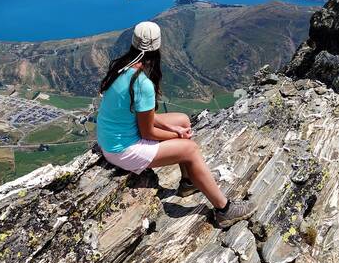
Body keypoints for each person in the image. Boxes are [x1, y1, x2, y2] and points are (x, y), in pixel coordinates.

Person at [95, 20, 253, 225]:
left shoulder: (122, 67)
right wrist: (177, 135)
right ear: (158, 46)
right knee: (190, 149)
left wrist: (174, 127)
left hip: (112, 137)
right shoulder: (141, 83)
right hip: (122, 149)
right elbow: (147, 133)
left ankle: (189, 182)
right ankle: (225, 209)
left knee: (183, 120)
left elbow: (140, 115)